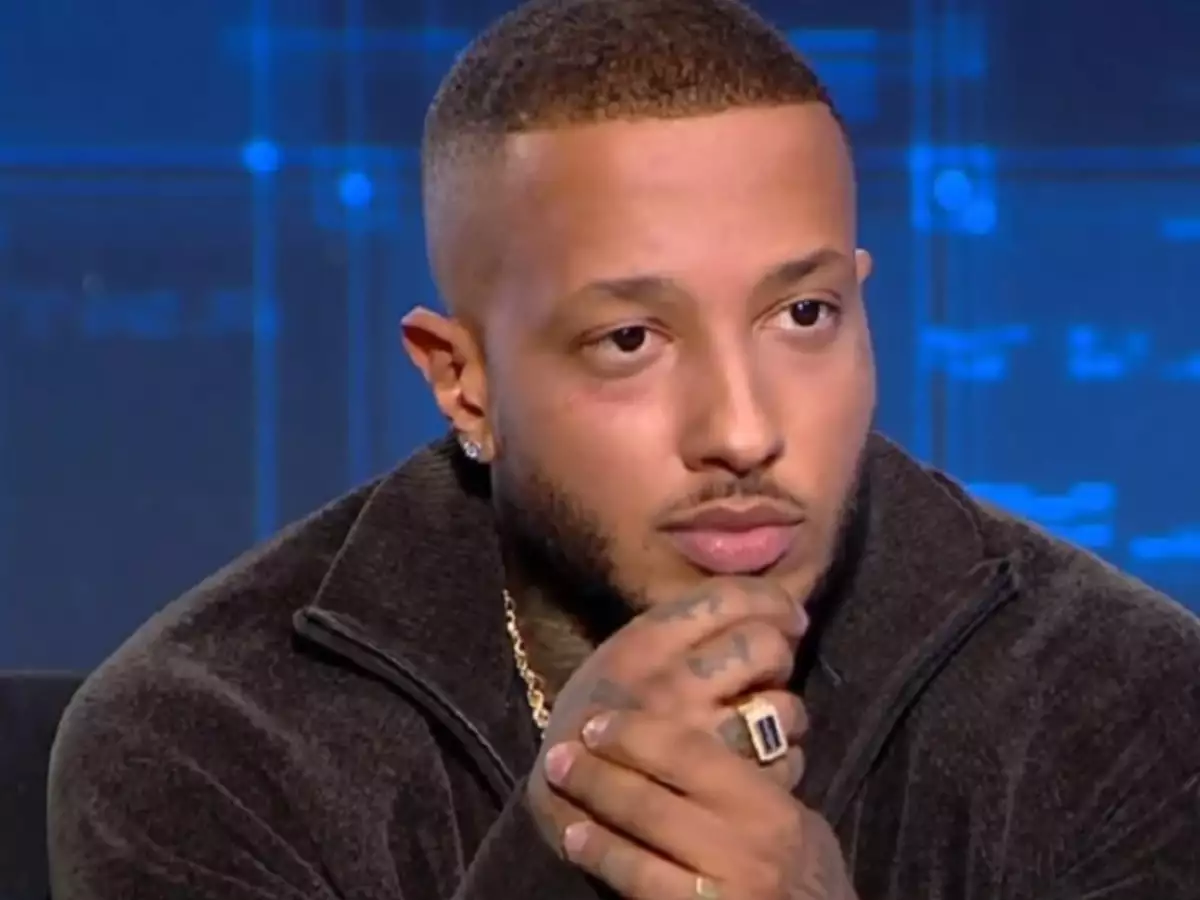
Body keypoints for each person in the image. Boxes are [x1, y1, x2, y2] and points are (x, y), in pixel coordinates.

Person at [47, 0, 1200, 898]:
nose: (742, 432)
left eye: (803, 315)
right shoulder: (208, 739)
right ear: (463, 381)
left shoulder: (1123, 701)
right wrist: (564, 849)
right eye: (631, 340)